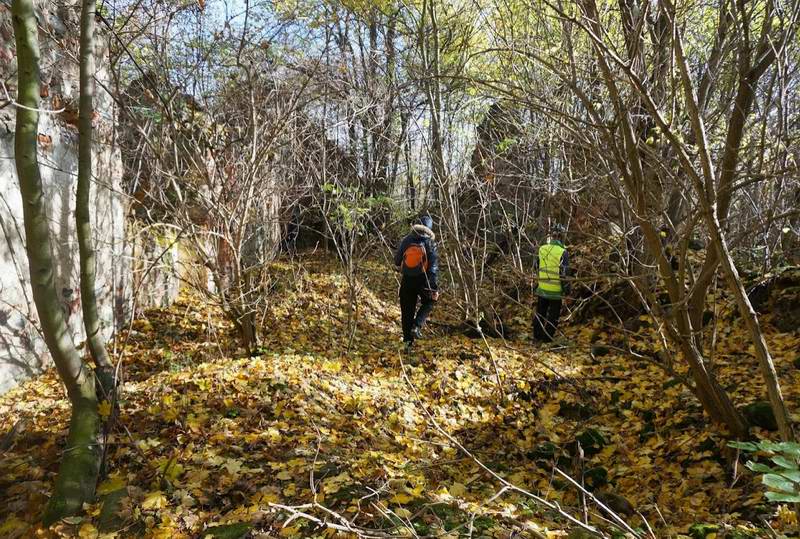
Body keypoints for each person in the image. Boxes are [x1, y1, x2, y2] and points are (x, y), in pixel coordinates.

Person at [394, 215, 439, 350]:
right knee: (430, 301)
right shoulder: (430, 243)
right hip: (423, 280)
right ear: (430, 229)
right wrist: (434, 288)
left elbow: (397, 260)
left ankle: (407, 345)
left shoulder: (407, 239)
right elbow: (433, 268)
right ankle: (417, 325)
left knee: (407, 312)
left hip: (407, 280)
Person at [533, 224, 570, 343]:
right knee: (553, 316)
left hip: (542, 287)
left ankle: (537, 337)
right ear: (562, 237)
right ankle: (547, 339)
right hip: (555, 290)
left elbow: (536, 267)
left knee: (540, 312)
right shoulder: (563, 252)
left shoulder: (542, 249)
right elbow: (563, 273)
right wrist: (567, 290)